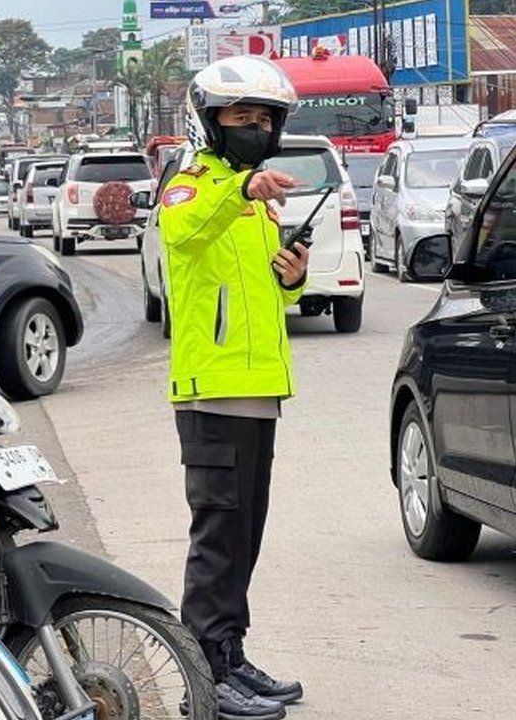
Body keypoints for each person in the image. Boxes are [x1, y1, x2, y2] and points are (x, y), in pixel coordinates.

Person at [158, 55, 308, 720]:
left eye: (263, 119)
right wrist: (241, 192)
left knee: (245, 536)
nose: (253, 127)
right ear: (211, 122)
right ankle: (206, 674)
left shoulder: (254, 203)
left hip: (258, 389)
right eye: (240, 117)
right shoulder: (193, 185)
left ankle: (231, 654)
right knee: (218, 539)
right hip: (212, 391)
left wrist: (292, 276)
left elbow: (260, 293)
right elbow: (185, 234)